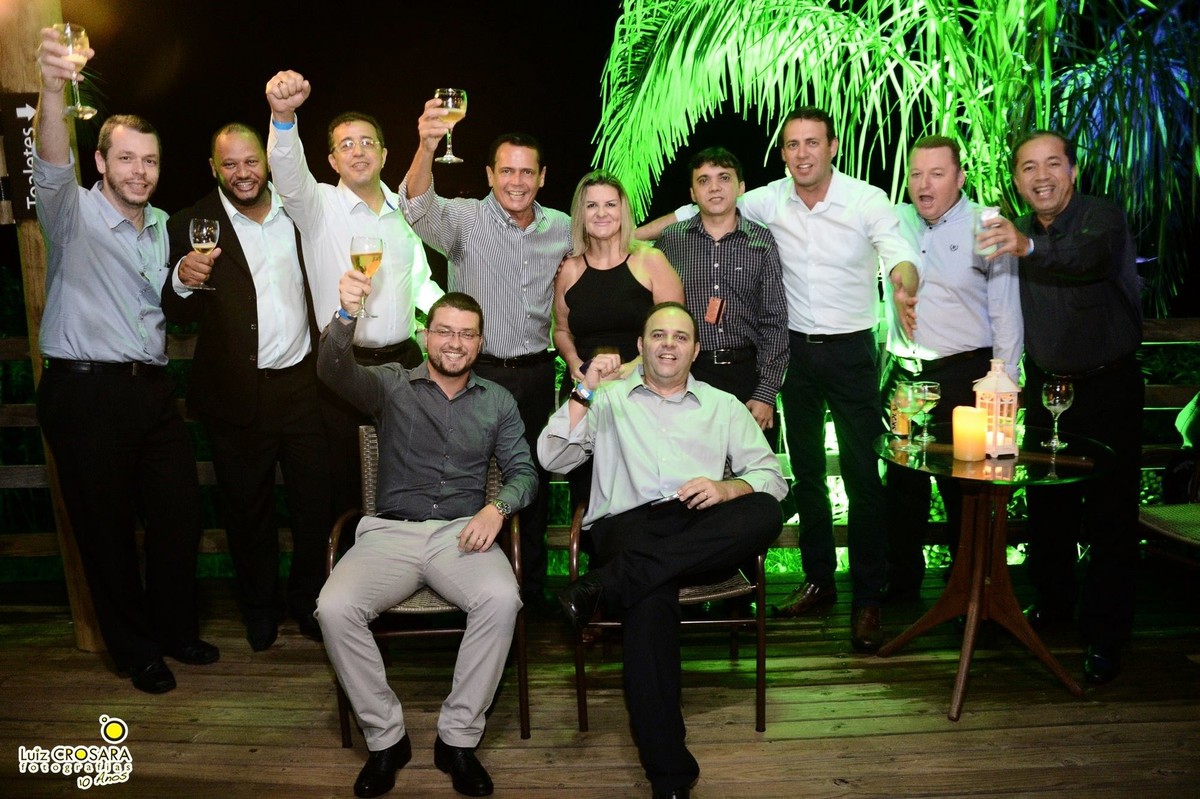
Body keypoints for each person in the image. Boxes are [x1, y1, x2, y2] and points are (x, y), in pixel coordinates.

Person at [639, 108, 919, 650]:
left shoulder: (866, 200)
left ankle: (867, 597)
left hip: (852, 352)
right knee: (808, 474)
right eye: (792, 145)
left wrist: (905, 284)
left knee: (863, 476)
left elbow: (897, 252)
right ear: (784, 153)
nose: (802, 154)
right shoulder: (767, 199)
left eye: (812, 143)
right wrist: (623, 236)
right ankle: (819, 580)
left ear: (831, 147)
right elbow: (695, 209)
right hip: (797, 356)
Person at [31, 27, 217, 693]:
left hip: (151, 391)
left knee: (179, 515)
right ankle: (137, 650)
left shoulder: (164, 226)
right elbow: (51, 161)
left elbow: (161, 302)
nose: (140, 171)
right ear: (102, 162)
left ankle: (174, 628)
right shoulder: (72, 213)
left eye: (150, 161)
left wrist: (185, 280)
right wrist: (54, 89)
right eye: (127, 159)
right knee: (106, 532)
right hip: (85, 394)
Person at [541, 302, 786, 799]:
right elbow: (552, 457)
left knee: (763, 510)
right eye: (658, 335)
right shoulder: (607, 399)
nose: (668, 344)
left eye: (680, 337)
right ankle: (669, 775)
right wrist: (585, 388)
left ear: (695, 351)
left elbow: (772, 479)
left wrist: (727, 488)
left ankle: (604, 584)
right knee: (650, 597)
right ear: (641, 345)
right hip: (627, 526)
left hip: (697, 523)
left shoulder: (722, 405)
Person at [316, 287, 537, 798]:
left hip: (461, 537)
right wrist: (346, 314)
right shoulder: (391, 385)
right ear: (425, 335)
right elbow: (332, 370)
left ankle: (457, 739)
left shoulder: (498, 401)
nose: (454, 342)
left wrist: (497, 508)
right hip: (390, 533)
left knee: (501, 600)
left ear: (479, 343)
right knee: (334, 607)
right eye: (444, 331)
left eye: (466, 334)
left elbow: (525, 473)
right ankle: (386, 739)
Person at [979, 130, 1143, 685]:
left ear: (1072, 170)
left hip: (1108, 390)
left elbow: (1086, 259)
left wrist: (1026, 247)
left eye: (1052, 164)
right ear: (1017, 179)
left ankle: (1105, 635)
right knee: (1049, 507)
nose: (1041, 176)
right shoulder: (1015, 233)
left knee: (1110, 516)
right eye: (1028, 167)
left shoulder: (1102, 219)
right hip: (1049, 392)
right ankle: (1053, 605)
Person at [161, 123, 332, 650]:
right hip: (234, 394)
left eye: (251, 161)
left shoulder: (300, 212)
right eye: (230, 164)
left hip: (304, 387)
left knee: (314, 506)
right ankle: (260, 609)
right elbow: (174, 314)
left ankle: (309, 600)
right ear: (214, 168)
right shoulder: (191, 224)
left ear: (267, 161)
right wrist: (182, 280)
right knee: (247, 510)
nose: (242, 173)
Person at [397, 99, 572, 607]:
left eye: (527, 172)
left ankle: (529, 593)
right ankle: (467, 588)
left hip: (536, 374)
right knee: (469, 481)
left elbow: (614, 240)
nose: (517, 181)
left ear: (542, 177)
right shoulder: (465, 219)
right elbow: (416, 205)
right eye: (506, 171)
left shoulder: (562, 227)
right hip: (477, 376)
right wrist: (427, 144)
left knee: (532, 478)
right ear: (490, 175)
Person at [264, 71, 445, 529]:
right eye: (346, 145)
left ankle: (404, 567)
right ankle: (348, 568)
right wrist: (283, 117)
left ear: (384, 154)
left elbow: (421, 282)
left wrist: (452, 324)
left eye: (367, 143)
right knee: (346, 484)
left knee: (406, 479)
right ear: (332, 160)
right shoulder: (316, 206)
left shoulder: (406, 212)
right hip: (344, 367)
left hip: (405, 366)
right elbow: (287, 173)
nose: (358, 151)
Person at [880, 135, 1023, 596]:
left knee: (965, 488)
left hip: (966, 375)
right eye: (916, 174)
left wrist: (1005, 387)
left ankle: (972, 585)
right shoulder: (893, 220)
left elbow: (1006, 312)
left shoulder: (987, 224)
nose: (924, 185)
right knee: (901, 483)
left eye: (937, 174)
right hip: (904, 377)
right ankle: (901, 584)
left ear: (960, 178)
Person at [554, 170, 683, 510]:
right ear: (580, 213)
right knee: (589, 495)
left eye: (610, 204)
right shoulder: (570, 269)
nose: (601, 213)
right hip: (587, 395)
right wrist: (574, 363)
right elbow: (561, 330)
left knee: (645, 495)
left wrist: (634, 367)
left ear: (623, 210)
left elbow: (677, 332)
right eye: (592, 205)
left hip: (645, 394)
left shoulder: (650, 261)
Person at [655, 147, 788, 449]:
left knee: (752, 471)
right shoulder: (671, 240)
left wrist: (766, 393)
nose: (714, 187)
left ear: (741, 187)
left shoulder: (762, 241)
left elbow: (775, 320)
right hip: (687, 375)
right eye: (703, 180)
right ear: (693, 193)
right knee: (688, 468)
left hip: (747, 376)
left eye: (724, 178)